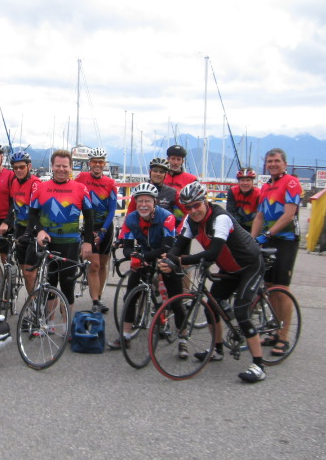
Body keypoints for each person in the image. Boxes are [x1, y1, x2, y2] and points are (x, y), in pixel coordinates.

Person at [160, 181, 268, 383]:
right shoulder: (190, 220)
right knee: (212, 307)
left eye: (196, 205)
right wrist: (169, 259)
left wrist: (180, 261)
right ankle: (217, 350)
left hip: (249, 266)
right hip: (229, 269)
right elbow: (179, 245)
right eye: (188, 207)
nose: (193, 210)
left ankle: (259, 365)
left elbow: (212, 253)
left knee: (241, 312)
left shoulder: (221, 218)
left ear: (205, 201)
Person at [108, 183, 185, 352]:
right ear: (135, 202)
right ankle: (126, 336)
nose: (143, 204)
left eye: (147, 201)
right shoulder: (131, 218)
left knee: (176, 299)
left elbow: (166, 247)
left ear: (155, 202)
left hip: (166, 256)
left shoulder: (167, 217)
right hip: (144, 256)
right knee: (130, 296)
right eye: (140, 201)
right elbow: (127, 247)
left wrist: (141, 256)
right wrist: (134, 256)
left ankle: (183, 339)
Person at [26, 149, 95, 314]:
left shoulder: (80, 188)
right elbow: (32, 214)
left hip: (70, 244)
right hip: (49, 243)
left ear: (71, 167)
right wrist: (40, 231)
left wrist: (87, 242)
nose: (61, 169)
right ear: (52, 166)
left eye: (65, 166)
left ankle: (66, 327)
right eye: (58, 166)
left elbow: (89, 217)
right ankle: (48, 324)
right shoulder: (41, 188)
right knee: (50, 285)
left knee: (68, 286)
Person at [251, 148, 302, 357]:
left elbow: (289, 214)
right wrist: (252, 240)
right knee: (269, 287)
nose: (272, 164)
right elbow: (260, 217)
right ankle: (274, 329)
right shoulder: (266, 186)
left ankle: (284, 336)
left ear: (284, 164)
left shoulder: (290, 182)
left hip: (286, 240)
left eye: (276, 161)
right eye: (269, 161)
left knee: (282, 288)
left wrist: (268, 235)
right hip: (268, 240)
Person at [75, 147, 118, 313]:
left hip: (105, 227)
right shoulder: (82, 178)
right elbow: (72, 194)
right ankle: (94, 301)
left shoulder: (110, 183)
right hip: (89, 227)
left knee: (103, 265)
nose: (97, 165)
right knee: (94, 265)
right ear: (89, 163)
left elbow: (112, 210)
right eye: (94, 161)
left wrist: (103, 231)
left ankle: (98, 298)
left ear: (104, 164)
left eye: (101, 162)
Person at [5, 151, 40, 294]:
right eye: (15, 167)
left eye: (22, 167)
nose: (18, 170)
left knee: (29, 273)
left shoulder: (35, 183)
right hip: (20, 229)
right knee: (24, 270)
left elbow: (34, 210)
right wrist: (7, 222)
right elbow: (14, 205)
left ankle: (34, 303)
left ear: (29, 166)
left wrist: (28, 232)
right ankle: (32, 302)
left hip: (33, 230)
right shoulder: (14, 182)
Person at [163, 145, 197, 227]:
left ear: (183, 161)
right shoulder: (160, 176)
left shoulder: (191, 179)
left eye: (178, 159)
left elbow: (197, 201)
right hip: (161, 219)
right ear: (168, 159)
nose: (175, 162)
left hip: (183, 221)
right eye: (173, 158)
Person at [226, 167, 260, 232]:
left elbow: (260, 215)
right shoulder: (233, 191)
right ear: (238, 182)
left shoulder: (258, 194)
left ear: (253, 182)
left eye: (248, 180)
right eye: (242, 180)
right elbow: (230, 211)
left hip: (253, 224)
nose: (245, 183)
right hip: (238, 224)